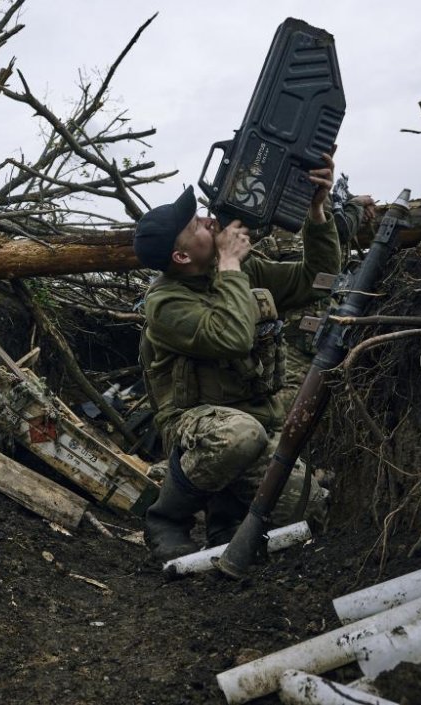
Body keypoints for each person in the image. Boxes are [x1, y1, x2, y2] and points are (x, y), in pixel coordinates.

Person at [132, 154, 343, 562]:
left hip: (259, 427)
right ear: (180, 257)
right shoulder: (165, 304)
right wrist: (230, 263)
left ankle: (225, 517)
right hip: (199, 427)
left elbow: (318, 281)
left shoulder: (241, 272)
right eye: (195, 225)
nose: (210, 222)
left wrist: (317, 211)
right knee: (237, 436)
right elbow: (229, 337)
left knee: (310, 510)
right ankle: (167, 518)